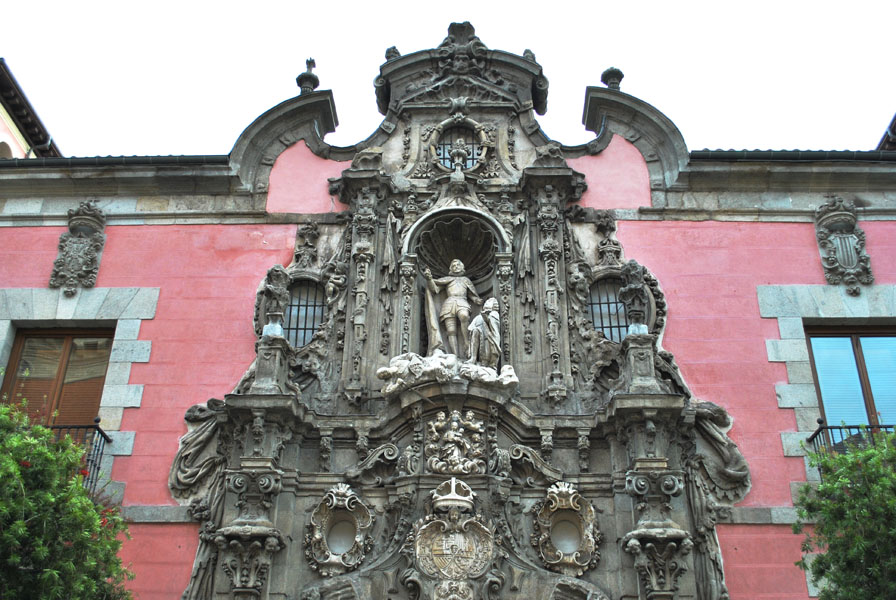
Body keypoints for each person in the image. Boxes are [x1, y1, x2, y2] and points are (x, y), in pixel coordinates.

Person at [423, 259, 482, 357]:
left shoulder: (466, 280)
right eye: (453, 266)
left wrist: (476, 300)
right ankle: (455, 356)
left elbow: (471, 294)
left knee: (464, 316)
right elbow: (435, 289)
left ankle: (467, 343)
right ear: (451, 269)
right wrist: (429, 279)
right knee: (451, 331)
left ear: (462, 267)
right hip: (449, 303)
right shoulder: (447, 279)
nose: (456, 267)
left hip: (462, 301)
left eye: (458, 265)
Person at [467, 297, 500, 369]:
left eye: (489, 302)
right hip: (479, 340)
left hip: (488, 340)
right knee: (475, 330)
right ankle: (473, 358)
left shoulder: (494, 314)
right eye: (486, 302)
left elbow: (491, 322)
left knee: (486, 357)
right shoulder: (478, 317)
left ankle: (488, 366)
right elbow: (470, 328)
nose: (486, 303)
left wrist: (485, 316)